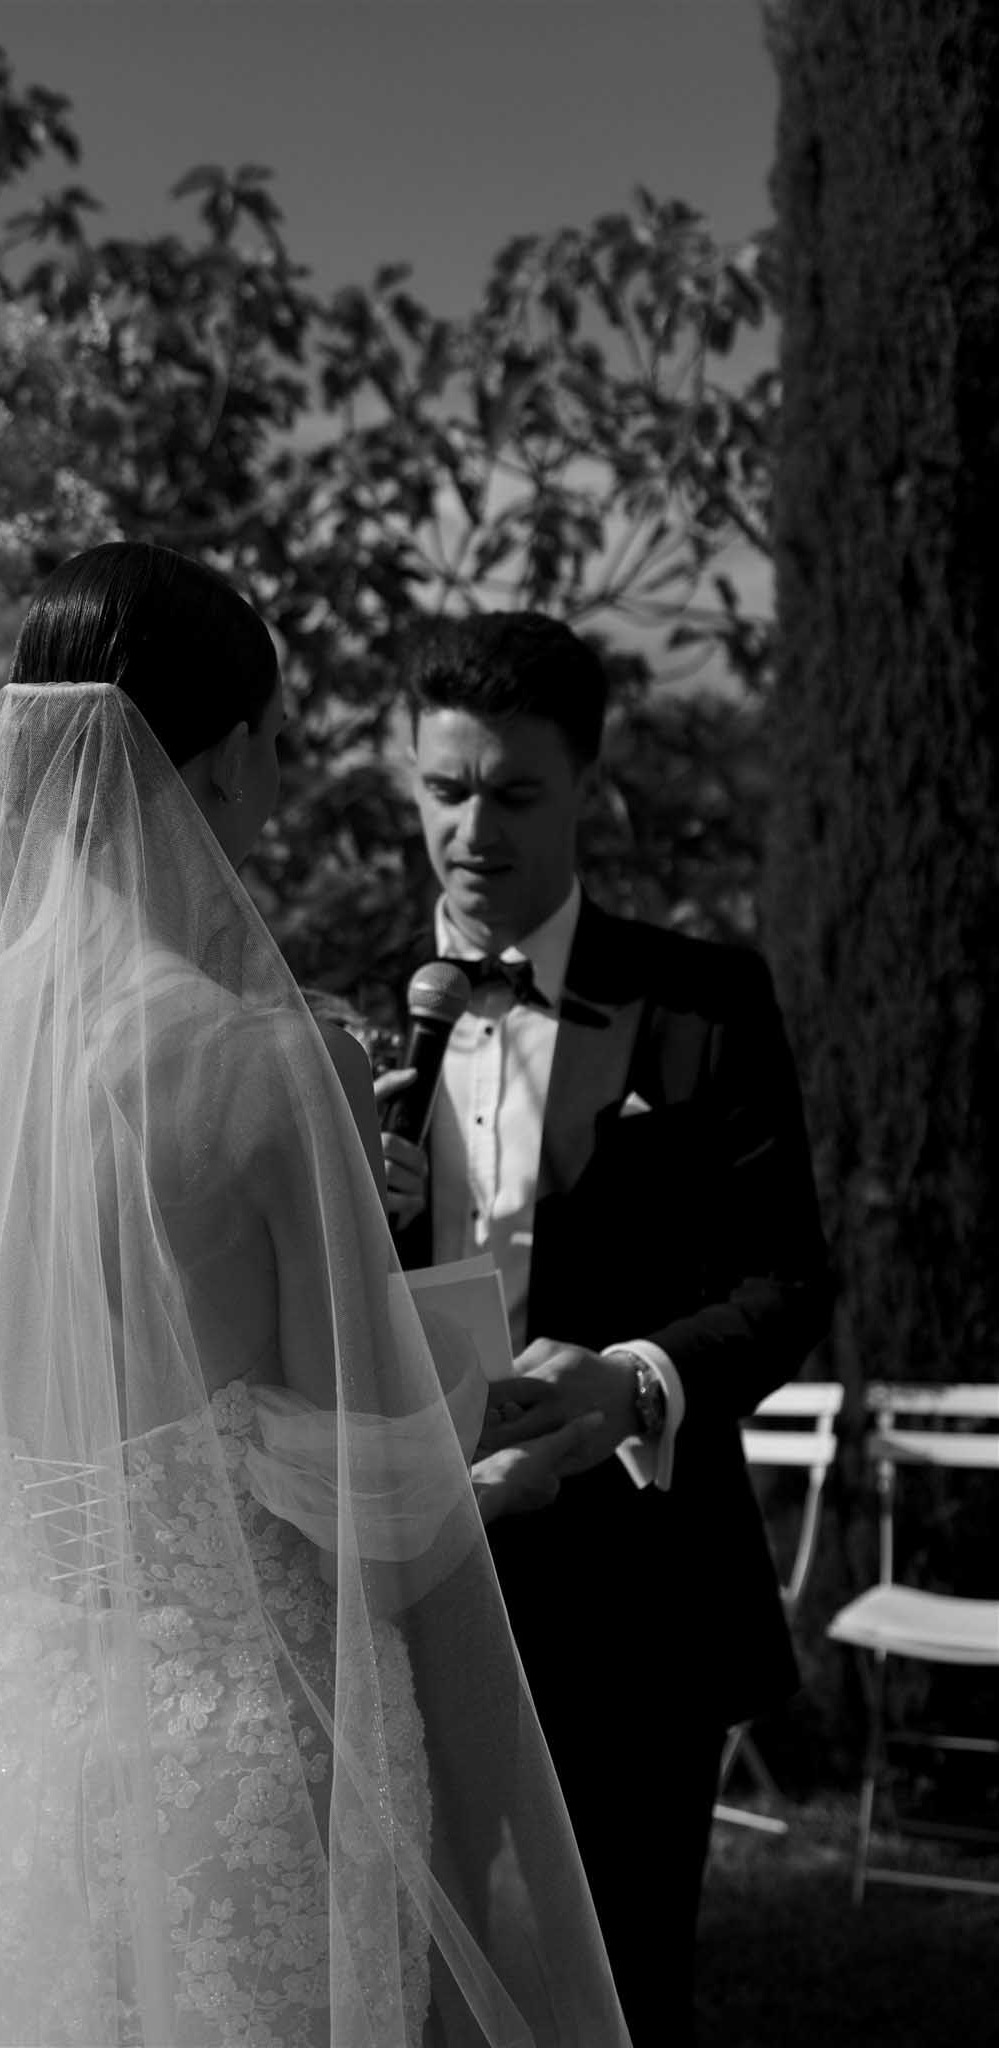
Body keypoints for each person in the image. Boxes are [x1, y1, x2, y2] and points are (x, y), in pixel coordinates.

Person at [0, 545, 630, 2048]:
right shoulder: (266, 1065)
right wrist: (503, 1454)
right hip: (241, 1765)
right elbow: (377, 1501)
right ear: (229, 759)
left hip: (11, 1749)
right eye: (280, 744)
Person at [376, 612, 832, 2048]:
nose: (470, 829)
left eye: (511, 794)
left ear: (585, 785)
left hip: (639, 1591)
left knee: (627, 1990)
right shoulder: (326, 1011)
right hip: (408, 1570)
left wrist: (634, 1381)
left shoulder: (704, 1003)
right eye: (444, 790)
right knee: (403, 1979)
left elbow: (783, 1284)